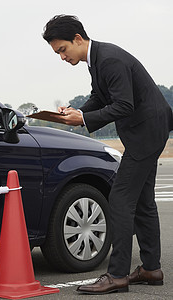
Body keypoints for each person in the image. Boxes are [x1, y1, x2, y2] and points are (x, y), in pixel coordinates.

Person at [42, 15, 173, 295]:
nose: (62, 57)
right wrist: (75, 113)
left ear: (78, 39)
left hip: (146, 131)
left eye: (62, 50)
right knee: (143, 201)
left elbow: (123, 104)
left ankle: (117, 275)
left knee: (120, 199)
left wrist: (83, 119)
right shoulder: (98, 59)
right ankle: (151, 268)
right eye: (57, 53)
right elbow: (100, 98)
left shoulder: (109, 59)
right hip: (148, 130)